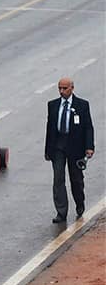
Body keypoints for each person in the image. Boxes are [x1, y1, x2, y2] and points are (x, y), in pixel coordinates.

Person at [45, 77, 95, 223]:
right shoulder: (52, 105)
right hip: (58, 147)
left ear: (72, 88)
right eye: (59, 88)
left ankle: (80, 203)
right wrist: (48, 150)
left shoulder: (82, 105)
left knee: (76, 180)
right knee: (58, 179)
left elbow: (88, 127)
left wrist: (89, 147)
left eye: (64, 88)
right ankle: (61, 212)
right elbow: (50, 128)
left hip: (75, 147)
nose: (62, 91)